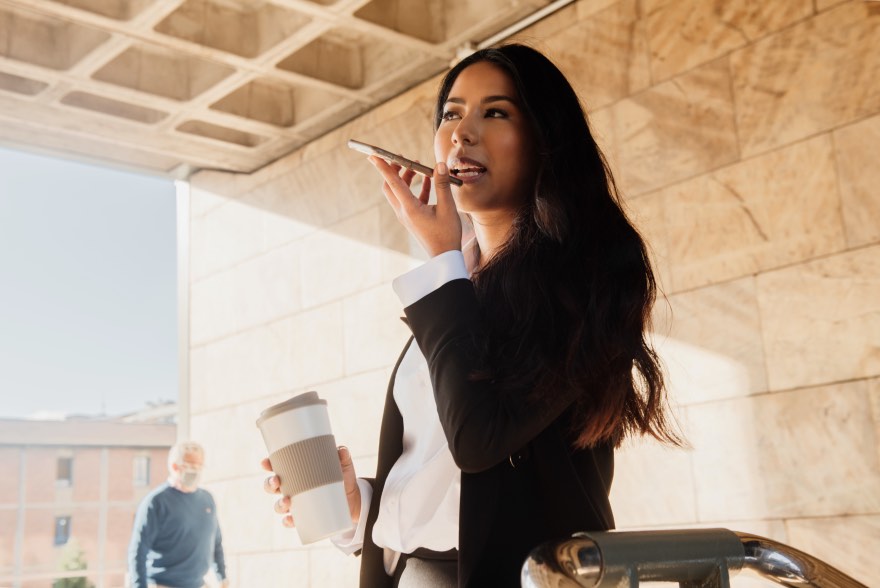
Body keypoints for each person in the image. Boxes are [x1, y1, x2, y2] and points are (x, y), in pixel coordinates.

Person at [262, 43, 680, 587]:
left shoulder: (583, 282)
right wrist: (357, 503)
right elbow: (441, 477)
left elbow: (480, 438)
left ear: (544, 139)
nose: (462, 132)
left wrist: (442, 260)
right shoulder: (456, 289)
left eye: (496, 112)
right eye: (451, 114)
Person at [129, 441, 229, 588]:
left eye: (199, 466)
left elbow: (216, 542)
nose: (196, 471)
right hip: (163, 584)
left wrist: (222, 577)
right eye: (191, 466)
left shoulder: (207, 499)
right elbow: (138, 550)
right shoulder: (156, 502)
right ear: (175, 467)